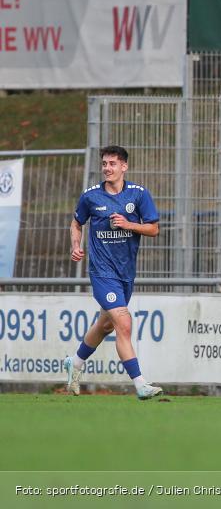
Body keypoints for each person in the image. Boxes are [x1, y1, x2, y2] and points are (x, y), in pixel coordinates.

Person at [64, 146, 163, 400]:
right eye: (105, 163)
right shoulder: (91, 197)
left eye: (112, 164)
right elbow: (77, 223)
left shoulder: (139, 195)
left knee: (106, 324)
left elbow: (154, 229)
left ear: (124, 167)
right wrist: (76, 245)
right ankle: (140, 383)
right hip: (101, 272)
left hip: (125, 273)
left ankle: (74, 362)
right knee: (124, 322)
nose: (107, 168)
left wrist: (129, 224)